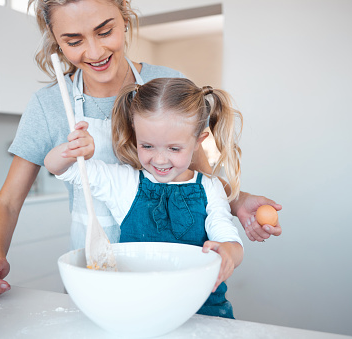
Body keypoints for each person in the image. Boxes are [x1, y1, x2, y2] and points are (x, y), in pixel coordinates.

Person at [0, 0, 282, 301]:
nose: (94, 52)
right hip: (94, 276)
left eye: (105, 31)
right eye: (73, 40)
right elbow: (8, 202)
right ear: (56, 41)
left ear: (125, 16)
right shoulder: (49, 104)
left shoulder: (168, 84)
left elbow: (197, 177)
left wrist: (237, 201)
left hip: (170, 272)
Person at [45, 77, 244, 318]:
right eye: (147, 146)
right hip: (138, 310)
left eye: (174, 148)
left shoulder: (211, 188)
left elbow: (229, 240)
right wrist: (71, 150)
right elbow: (61, 168)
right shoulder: (124, 183)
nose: (159, 160)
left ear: (197, 142)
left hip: (202, 312)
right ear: (135, 136)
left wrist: (227, 254)